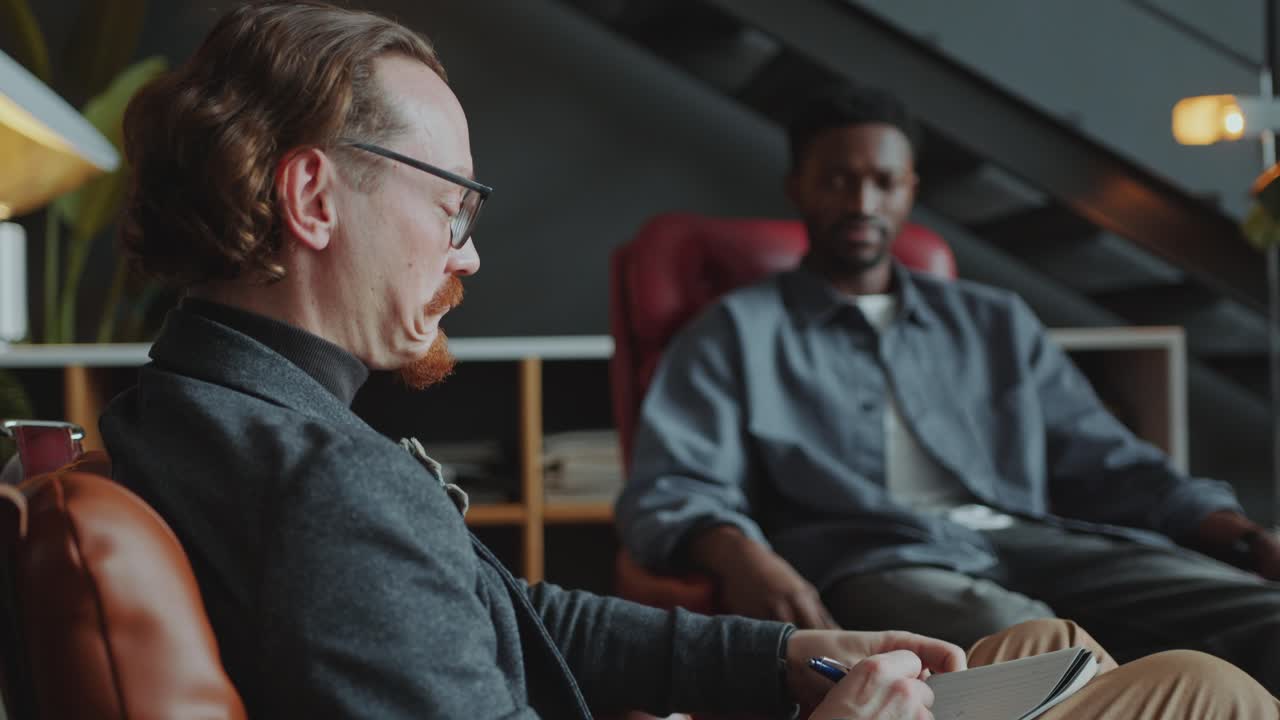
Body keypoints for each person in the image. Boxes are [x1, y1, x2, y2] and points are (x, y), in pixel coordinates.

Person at [99, 4, 1278, 718]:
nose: (466, 257)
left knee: (1043, 652)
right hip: (877, 571)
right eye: (452, 203)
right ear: (313, 194)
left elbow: (513, 621)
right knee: (1203, 691)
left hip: (948, 583)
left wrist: (790, 659)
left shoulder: (191, 408)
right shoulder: (326, 488)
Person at [616, 83, 1280, 694]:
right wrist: (744, 556)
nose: (861, 203)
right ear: (798, 187)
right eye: (838, 180)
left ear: (910, 189)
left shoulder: (992, 320)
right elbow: (671, 486)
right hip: (877, 558)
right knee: (1041, 658)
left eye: (882, 181)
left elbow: (1107, 458)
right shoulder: (736, 330)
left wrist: (1243, 537)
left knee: (1263, 614)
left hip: (1030, 538)